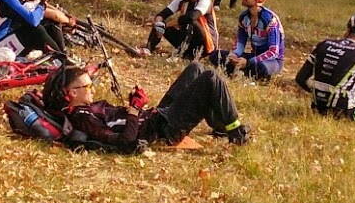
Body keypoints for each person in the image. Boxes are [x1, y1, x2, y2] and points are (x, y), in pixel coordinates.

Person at [41, 62, 250, 150]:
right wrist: (134, 109)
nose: (92, 88)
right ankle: (236, 132)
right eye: (87, 86)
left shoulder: (85, 109)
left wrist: (133, 105)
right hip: (164, 128)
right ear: (72, 93)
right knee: (211, 79)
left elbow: (116, 121)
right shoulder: (83, 118)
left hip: (155, 115)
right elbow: (125, 141)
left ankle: (220, 126)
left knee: (196, 68)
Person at [209, 0, 284, 81]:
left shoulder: (269, 19)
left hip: (271, 61)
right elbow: (240, 43)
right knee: (216, 55)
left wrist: (248, 62)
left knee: (260, 68)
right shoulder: (244, 17)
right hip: (253, 56)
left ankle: (242, 71)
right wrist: (234, 56)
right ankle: (242, 70)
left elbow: (273, 52)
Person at [143, 0, 217, 59]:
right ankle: (148, 49)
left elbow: (191, 17)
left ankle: (179, 54)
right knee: (160, 24)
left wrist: (166, 25)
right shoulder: (181, 0)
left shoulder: (205, 1)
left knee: (190, 22)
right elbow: (163, 14)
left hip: (206, 44)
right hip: (186, 39)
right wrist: (158, 23)